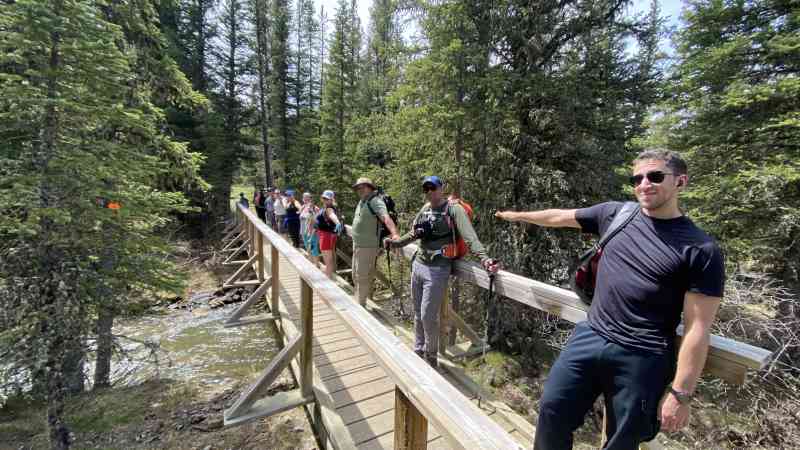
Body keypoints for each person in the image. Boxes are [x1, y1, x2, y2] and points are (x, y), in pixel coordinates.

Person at [495, 149, 724, 450]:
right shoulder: (617, 214)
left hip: (643, 355)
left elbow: (697, 328)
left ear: (681, 182)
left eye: (655, 176)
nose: (644, 184)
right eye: (637, 178)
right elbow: (560, 217)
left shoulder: (701, 249)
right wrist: (515, 215)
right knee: (552, 411)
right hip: (592, 334)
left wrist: (681, 394)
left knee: (623, 440)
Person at [385, 176, 499, 368]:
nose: (429, 191)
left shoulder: (453, 209)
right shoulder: (425, 209)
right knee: (418, 312)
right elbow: (415, 233)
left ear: (441, 188)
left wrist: (485, 259)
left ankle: (431, 356)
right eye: (426, 188)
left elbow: (470, 237)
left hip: (437, 270)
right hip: (419, 264)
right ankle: (418, 348)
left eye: (433, 187)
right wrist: (395, 242)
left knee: (428, 315)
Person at [350, 177, 400, 307]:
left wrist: (394, 234)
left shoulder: (375, 201)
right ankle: (360, 300)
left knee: (362, 276)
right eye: (357, 188)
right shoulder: (362, 201)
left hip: (367, 247)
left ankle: (360, 307)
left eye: (362, 187)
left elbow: (386, 218)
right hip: (358, 244)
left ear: (369, 187)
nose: (359, 190)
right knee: (355, 274)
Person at [315, 190, 342, 279]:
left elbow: (332, 215)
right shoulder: (325, 207)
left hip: (326, 236)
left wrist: (337, 222)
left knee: (328, 261)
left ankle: (328, 280)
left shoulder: (329, 208)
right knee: (329, 260)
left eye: (327, 199)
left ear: (331, 199)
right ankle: (329, 277)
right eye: (324, 198)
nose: (325, 200)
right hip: (326, 235)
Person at [300, 193, 321, 266]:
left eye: (308, 198)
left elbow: (318, 221)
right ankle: (311, 265)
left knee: (314, 248)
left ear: (311, 199)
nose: (306, 199)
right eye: (304, 198)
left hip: (312, 232)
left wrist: (312, 213)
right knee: (308, 248)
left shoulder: (315, 208)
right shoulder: (303, 207)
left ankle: (317, 266)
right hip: (304, 231)